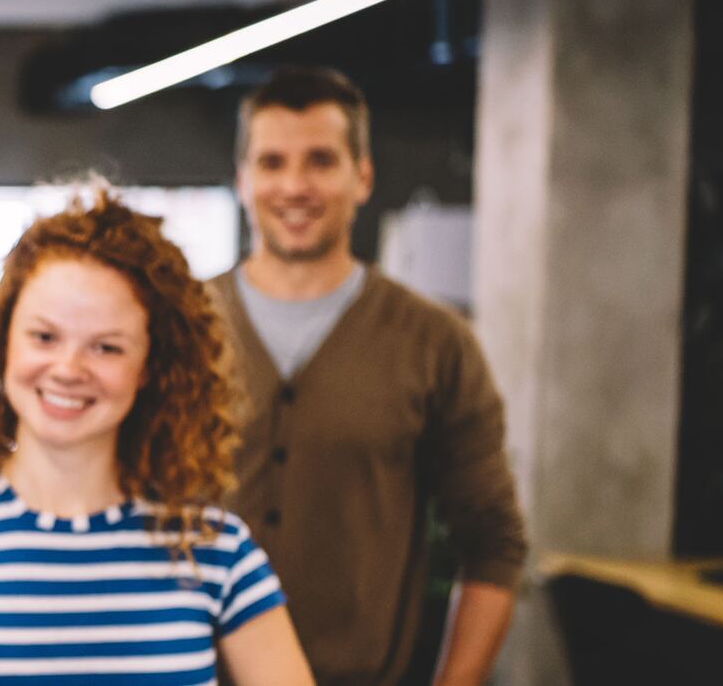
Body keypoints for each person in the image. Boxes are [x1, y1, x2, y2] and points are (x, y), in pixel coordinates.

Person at [207, 67, 524, 685]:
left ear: (363, 176)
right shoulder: (179, 329)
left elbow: (494, 544)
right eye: (272, 163)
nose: (294, 185)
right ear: (243, 180)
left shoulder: (434, 342)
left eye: (321, 161)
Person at [0, 187, 313, 684]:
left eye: (107, 348)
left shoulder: (215, 551)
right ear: (2, 342)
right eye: (44, 337)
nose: (68, 369)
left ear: (151, 369)